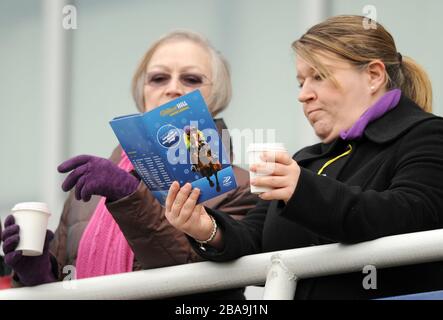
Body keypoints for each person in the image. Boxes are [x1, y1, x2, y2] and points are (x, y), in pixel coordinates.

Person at [164, 15, 443, 300]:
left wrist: (303, 190)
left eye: (319, 76)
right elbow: (254, 239)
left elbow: (411, 216)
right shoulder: (306, 161)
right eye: (301, 83)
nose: (304, 95)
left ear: (373, 75)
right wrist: (206, 228)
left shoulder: (429, 134)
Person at [1, 31, 258, 299]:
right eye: (158, 78)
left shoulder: (240, 186)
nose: (172, 88)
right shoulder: (92, 188)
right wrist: (36, 273)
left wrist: (128, 195)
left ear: (217, 94)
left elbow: (195, 285)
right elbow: (64, 287)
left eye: (191, 79)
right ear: (141, 92)